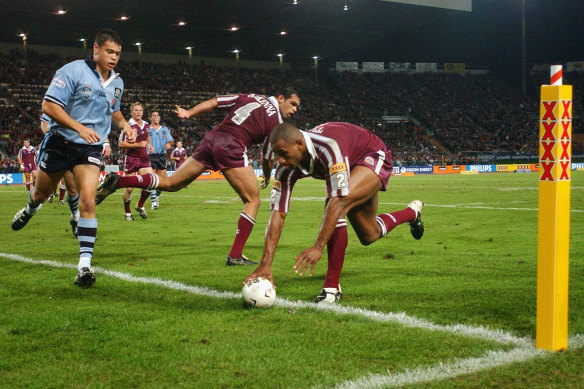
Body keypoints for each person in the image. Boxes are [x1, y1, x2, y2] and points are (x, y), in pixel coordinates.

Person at [96, 87, 301, 266]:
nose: (294, 110)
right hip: (232, 144)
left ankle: (120, 180)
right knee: (253, 200)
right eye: (292, 104)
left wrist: (189, 113)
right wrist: (266, 175)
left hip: (211, 139)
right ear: (280, 98)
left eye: (297, 108)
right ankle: (235, 255)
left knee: (171, 183)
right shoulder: (276, 122)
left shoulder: (250, 96)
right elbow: (267, 155)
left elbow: (215, 102)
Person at [245, 122, 424, 303]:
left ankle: (331, 288)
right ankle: (412, 213)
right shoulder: (285, 170)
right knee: (370, 234)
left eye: (283, 154)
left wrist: (318, 247)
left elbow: (338, 201)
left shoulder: (328, 147)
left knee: (336, 203)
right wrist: (265, 264)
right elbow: (277, 215)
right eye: (277, 155)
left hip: (370, 156)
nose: (281, 161)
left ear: (299, 144)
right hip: (350, 163)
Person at [11, 28, 135, 288]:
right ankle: (30, 209)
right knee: (41, 194)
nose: (114, 57)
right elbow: (49, 106)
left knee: (87, 202)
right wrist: (79, 127)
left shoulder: (117, 83)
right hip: (59, 144)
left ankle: (85, 267)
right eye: (109, 51)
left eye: (118, 53)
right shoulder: (72, 70)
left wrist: (124, 125)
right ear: (96, 49)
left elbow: (114, 111)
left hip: (88, 149)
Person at [41, 114, 80, 236]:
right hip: (57, 151)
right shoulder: (57, 102)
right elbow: (44, 123)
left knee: (73, 189)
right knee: (41, 193)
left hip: (76, 150)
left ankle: (76, 219)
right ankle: (30, 209)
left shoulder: (82, 104)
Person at [119, 102, 154, 220]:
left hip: (144, 158)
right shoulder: (128, 126)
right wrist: (139, 144)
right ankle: (127, 212)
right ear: (131, 112)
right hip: (131, 159)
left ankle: (140, 205)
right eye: (136, 110)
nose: (138, 112)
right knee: (129, 188)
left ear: (143, 112)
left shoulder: (146, 124)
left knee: (152, 182)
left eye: (140, 110)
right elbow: (121, 144)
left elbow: (147, 136)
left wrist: (149, 145)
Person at [148, 110, 174, 209]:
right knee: (153, 179)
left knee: (162, 181)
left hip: (162, 156)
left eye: (157, 115)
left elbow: (171, 140)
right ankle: (153, 202)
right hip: (151, 156)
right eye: (154, 115)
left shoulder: (164, 129)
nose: (156, 117)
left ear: (159, 117)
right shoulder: (147, 129)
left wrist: (169, 144)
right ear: (151, 118)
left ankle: (157, 197)